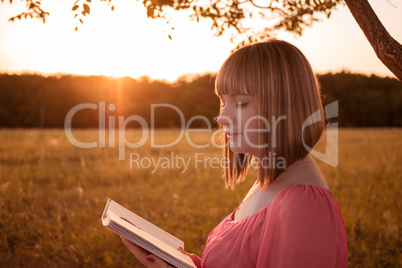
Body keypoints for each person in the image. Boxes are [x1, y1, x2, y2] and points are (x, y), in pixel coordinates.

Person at [121, 39, 348, 267]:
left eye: (240, 103)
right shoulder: (269, 183)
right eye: (222, 102)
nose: (222, 118)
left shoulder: (303, 207)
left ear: (283, 107)